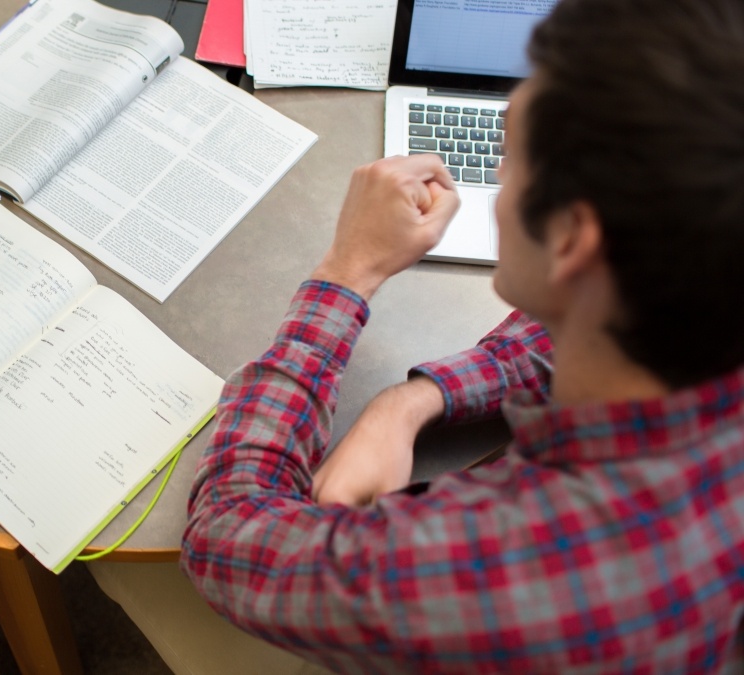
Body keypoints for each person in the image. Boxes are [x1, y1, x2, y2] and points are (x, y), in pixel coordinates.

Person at [174, 0, 744, 670]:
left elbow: (225, 536)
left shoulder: (498, 566)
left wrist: (346, 273)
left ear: (571, 240)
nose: (497, 179)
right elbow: (596, 307)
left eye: (510, 163)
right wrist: (409, 403)